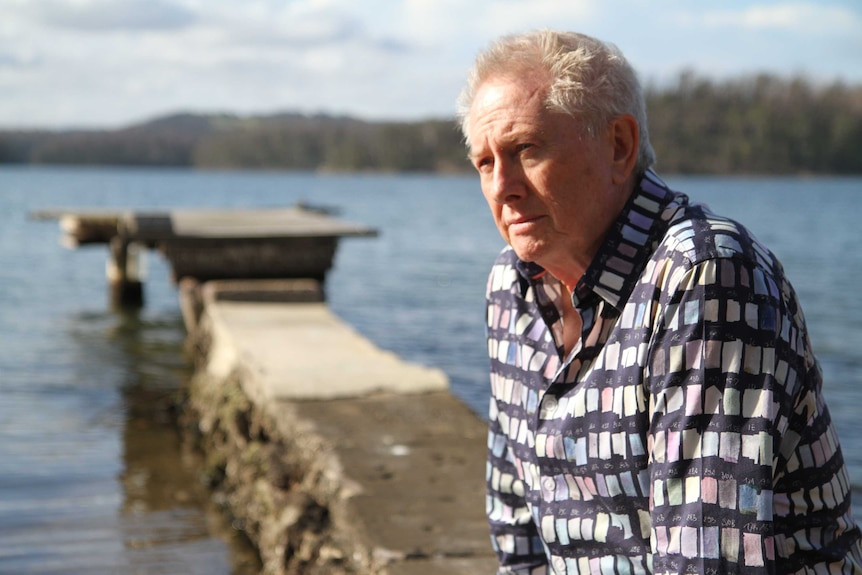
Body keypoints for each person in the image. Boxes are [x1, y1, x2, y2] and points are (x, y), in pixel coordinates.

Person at [457, 29, 862, 575]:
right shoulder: (510, 286)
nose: (502, 185)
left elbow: (709, 558)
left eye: (526, 149)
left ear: (619, 146)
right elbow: (516, 528)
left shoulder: (708, 275)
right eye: (485, 162)